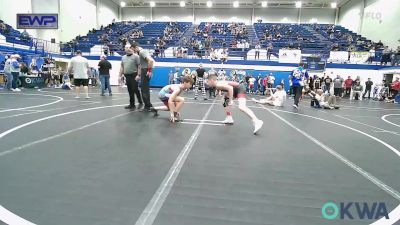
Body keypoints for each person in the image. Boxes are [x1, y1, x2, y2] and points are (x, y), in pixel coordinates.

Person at [131, 42, 155, 111]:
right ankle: (148, 105)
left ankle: (147, 107)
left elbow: (150, 61)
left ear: (136, 47)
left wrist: (149, 71)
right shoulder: (142, 52)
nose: (134, 52)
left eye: (134, 50)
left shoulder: (142, 52)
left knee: (144, 89)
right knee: (145, 89)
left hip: (145, 70)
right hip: (144, 70)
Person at [120, 45, 143, 110]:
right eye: (126, 48)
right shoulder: (123, 57)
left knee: (135, 89)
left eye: (129, 47)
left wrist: (138, 75)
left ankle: (140, 102)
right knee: (130, 90)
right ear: (124, 49)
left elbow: (139, 66)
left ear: (131, 48)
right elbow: (122, 67)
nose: (128, 49)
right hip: (127, 76)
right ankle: (132, 104)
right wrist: (120, 76)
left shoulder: (136, 56)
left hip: (134, 75)